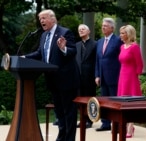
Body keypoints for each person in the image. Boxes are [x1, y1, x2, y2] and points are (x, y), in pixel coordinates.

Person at [23, 9, 79, 141]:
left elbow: (72, 51)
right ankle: (62, 136)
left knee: (69, 112)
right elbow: (39, 53)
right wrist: (24, 57)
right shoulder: (43, 35)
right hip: (52, 80)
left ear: (53, 19)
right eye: (40, 18)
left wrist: (63, 48)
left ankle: (69, 139)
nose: (41, 21)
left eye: (44, 18)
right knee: (59, 112)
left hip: (66, 80)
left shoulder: (65, 32)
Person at [95, 17, 123, 131]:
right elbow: (97, 59)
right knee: (104, 101)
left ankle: (116, 125)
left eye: (105, 26)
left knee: (115, 102)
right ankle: (105, 124)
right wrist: (97, 75)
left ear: (112, 28)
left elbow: (122, 59)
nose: (103, 27)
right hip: (102, 77)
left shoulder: (118, 40)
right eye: (102, 26)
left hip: (114, 76)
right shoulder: (100, 41)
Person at [117, 25, 144, 138]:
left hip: (132, 77)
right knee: (123, 101)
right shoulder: (122, 47)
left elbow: (140, 65)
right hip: (122, 76)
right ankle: (127, 124)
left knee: (131, 102)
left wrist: (136, 78)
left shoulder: (135, 47)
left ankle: (130, 127)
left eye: (123, 33)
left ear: (129, 34)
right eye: (121, 33)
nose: (121, 35)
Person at [75, 24, 97, 128]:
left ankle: (90, 120)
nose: (81, 31)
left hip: (90, 77)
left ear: (88, 31)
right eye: (79, 30)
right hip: (78, 77)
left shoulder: (95, 44)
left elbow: (97, 61)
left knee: (90, 99)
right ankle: (82, 120)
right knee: (80, 100)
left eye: (83, 29)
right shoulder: (77, 45)